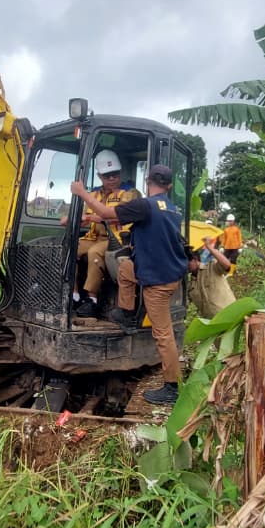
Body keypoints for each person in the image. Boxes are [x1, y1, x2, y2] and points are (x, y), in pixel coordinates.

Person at [71, 164, 188, 406]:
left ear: (147, 182)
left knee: (163, 334)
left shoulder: (144, 205)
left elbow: (105, 213)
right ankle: (126, 314)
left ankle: (172, 387)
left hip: (158, 280)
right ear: (167, 185)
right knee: (125, 268)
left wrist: (82, 192)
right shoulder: (173, 209)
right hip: (166, 271)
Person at [70, 150, 141, 317]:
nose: (111, 179)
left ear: (120, 173)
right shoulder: (94, 193)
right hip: (94, 237)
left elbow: (110, 215)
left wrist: (88, 216)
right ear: (100, 176)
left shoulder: (129, 193)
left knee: (94, 253)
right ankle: (73, 295)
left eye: (115, 174)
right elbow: (82, 213)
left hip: (117, 240)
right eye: (107, 175)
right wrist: (73, 218)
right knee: (70, 247)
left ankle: (91, 300)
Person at [189, 236, 236, 318]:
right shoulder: (191, 284)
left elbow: (227, 266)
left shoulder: (211, 267)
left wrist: (210, 247)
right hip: (212, 323)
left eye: (186, 262)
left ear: (195, 259)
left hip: (230, 317)